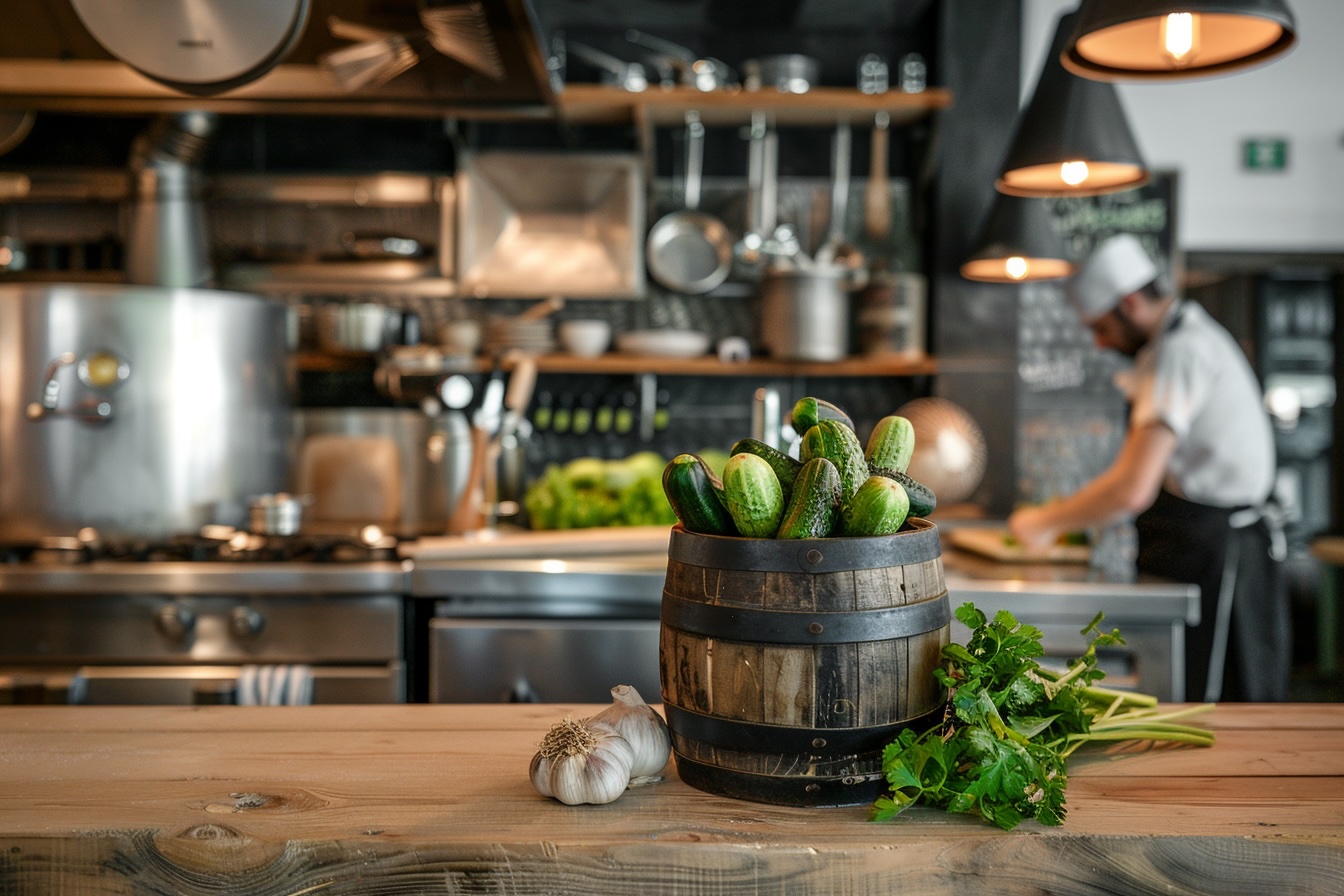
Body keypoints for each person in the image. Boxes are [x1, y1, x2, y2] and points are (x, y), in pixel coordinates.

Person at [1007, 233, 1289, 702]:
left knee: (1219, 706)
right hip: (1217, 542)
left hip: (1223, 555)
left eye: (1101, 327)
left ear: (1131, 302)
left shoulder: (1178, 353)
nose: (1099, 343)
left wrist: (1042, 522)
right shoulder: (1188, 337)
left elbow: (1132, 489)